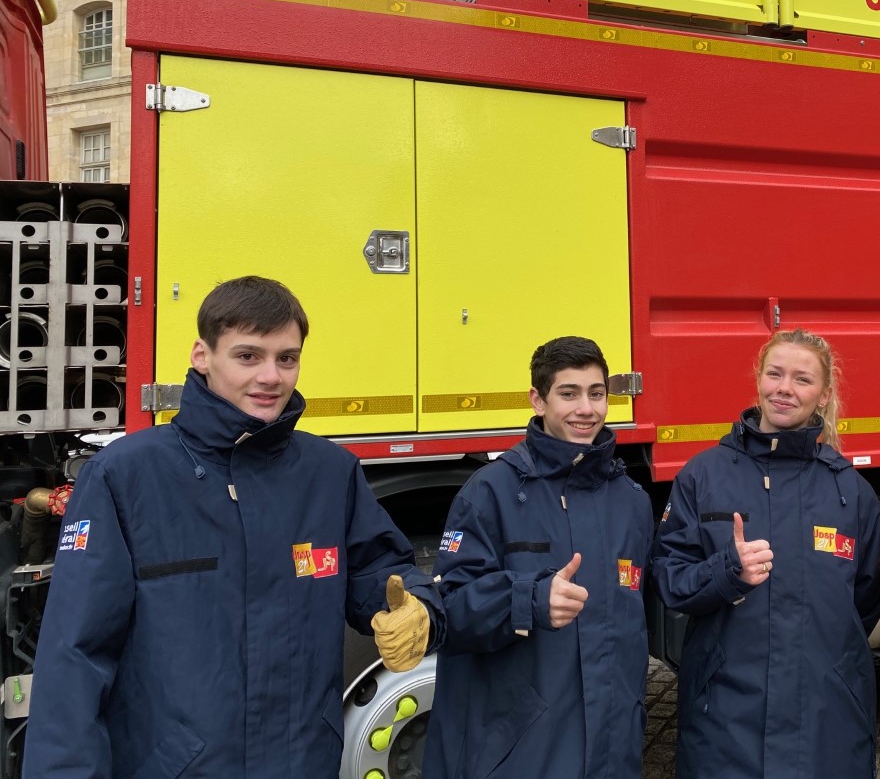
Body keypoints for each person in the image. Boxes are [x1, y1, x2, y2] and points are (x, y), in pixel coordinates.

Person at [24, 276, 441, 778]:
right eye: (248, 356)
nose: (271, 376)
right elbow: (75, 656)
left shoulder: (330, 473)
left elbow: (382, 573)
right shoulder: (126, 476)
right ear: (203, 355)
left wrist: (419, 608)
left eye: (286, 358)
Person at [650, 328, 880, 779]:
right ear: (758, 381)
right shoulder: (704, 475)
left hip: (824, 714)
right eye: (775, 374)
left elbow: (864, 599)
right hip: (725, 711)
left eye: (802, 379)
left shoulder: (849, 492)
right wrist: (726, 574)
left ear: (823, 395)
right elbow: (669, 580)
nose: (785, 388)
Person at [422, 336, 653, 779]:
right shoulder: (490, 492)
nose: (586, 409)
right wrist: (527, 599)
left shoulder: (632, 501)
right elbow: (449, 610)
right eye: (568, 393)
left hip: (612, 749)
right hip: (524, 748)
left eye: (597, 393)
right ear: (538, 400)